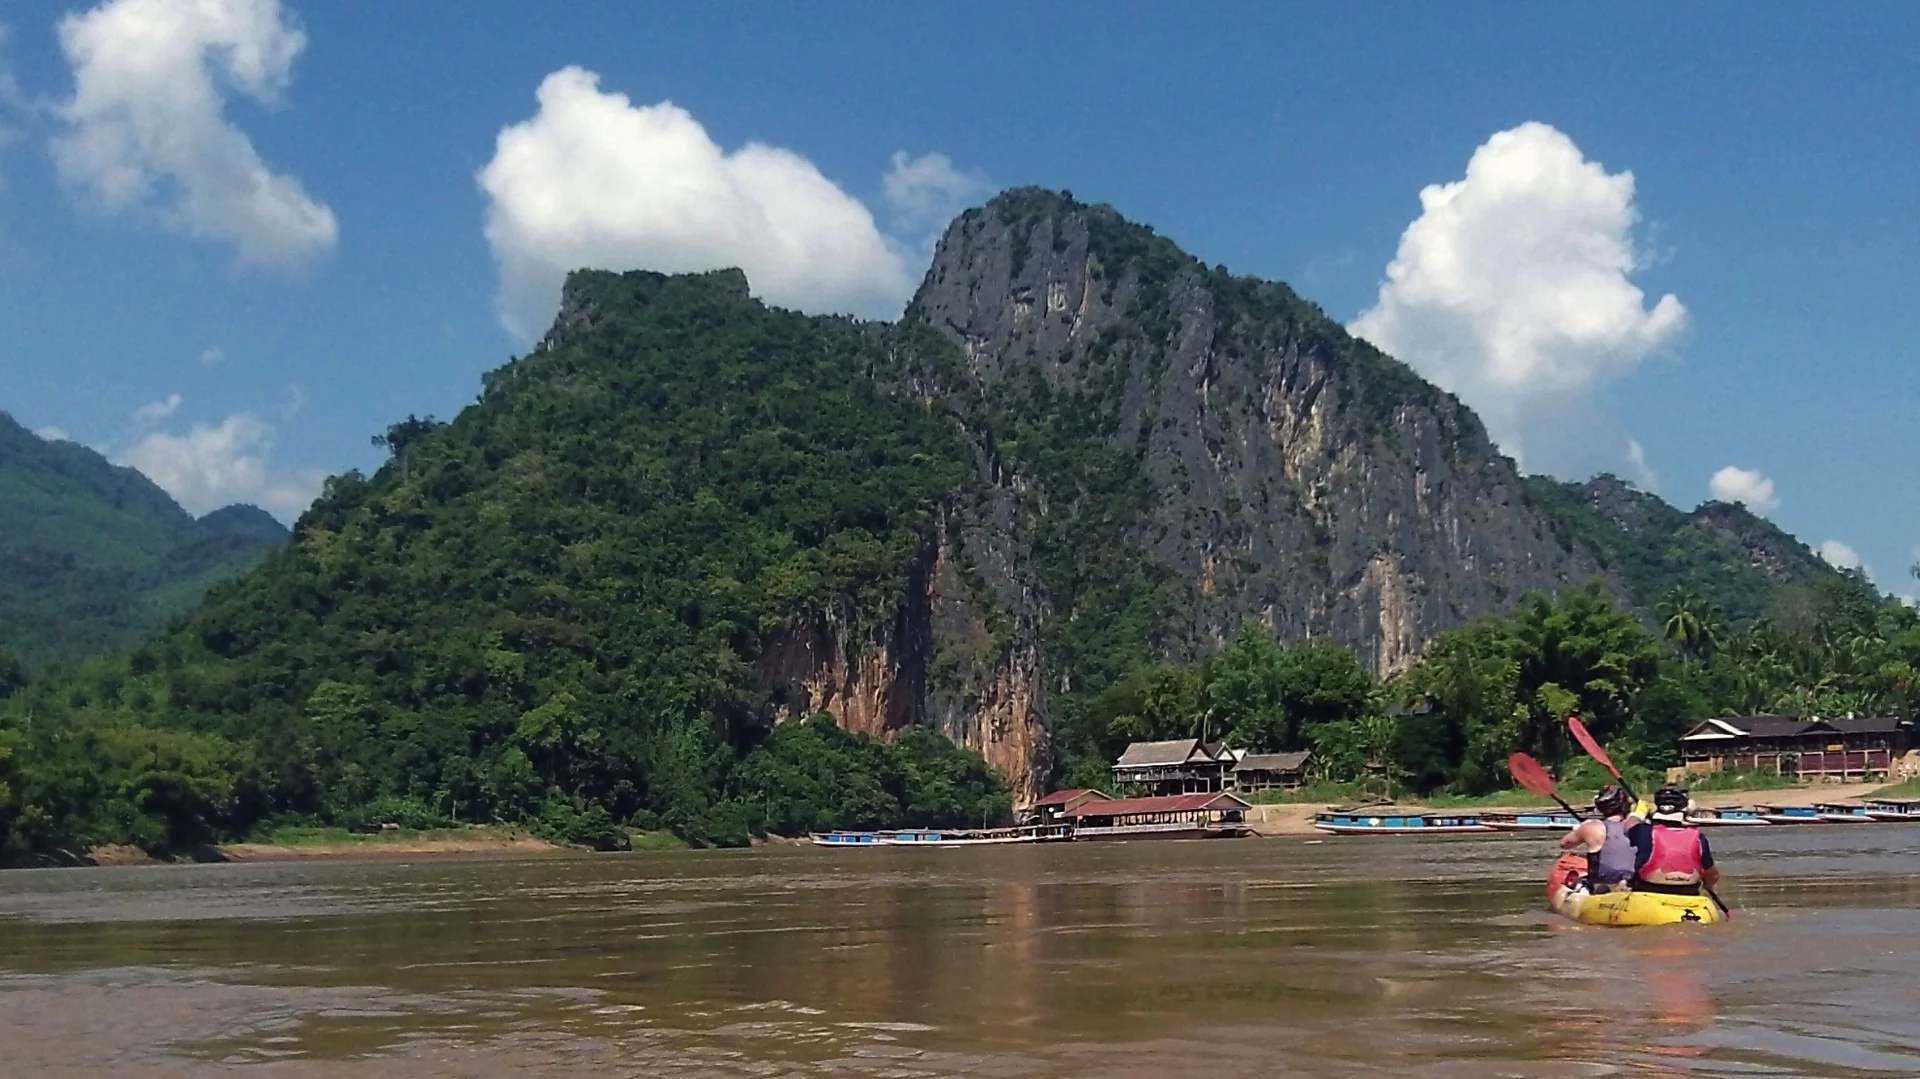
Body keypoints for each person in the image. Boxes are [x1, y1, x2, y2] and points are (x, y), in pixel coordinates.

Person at [1628, 783, 1720, 895]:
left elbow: (1629, 826)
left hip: (1650, 895)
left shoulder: (1644, 832)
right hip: (1689, 896)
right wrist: (1708, 885)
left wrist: (1640, 812)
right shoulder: (1699, 838)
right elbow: (1712, 875)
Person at [1557, 783, 1640, 894]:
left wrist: (1579, 830)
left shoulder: (1591, 827)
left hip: (1604, 884)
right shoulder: (1641, 826)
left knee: (1582, 881)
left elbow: (1565, 844)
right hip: (1636, 882)